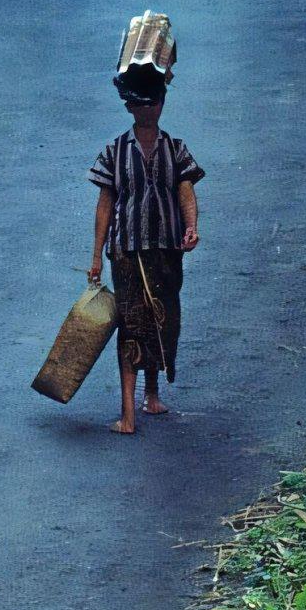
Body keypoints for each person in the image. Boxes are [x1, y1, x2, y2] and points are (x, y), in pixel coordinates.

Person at [88, 66, 204, 435]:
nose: (148, 110)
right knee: (131, 325)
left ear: (162, 103)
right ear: (129, 108)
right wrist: (95, 257)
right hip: (126, 251)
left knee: (161, 319)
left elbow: (186, 190)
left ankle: (151, 394)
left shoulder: (176, 149)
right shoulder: (113, 152)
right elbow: (105, 205)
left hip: (167, 251)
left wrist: (191, 227)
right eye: (141, 104)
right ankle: (128, 413)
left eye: (154, 102)